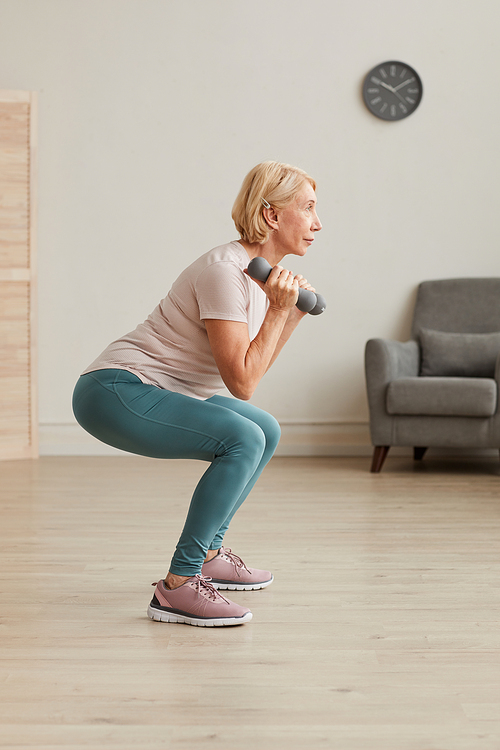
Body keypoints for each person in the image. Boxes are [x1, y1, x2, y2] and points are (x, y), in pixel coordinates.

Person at [72, 160, 322, 627]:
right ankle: (179, 584)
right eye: (307, 208)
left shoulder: (258, 278)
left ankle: (209, 555)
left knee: (263, 429)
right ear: (272, 215)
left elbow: (254, 367)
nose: (317, 222)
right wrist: (279, 311)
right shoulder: (225, 271)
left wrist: (290, 314)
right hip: (115, 389)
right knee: (242, 438)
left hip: (166, 390)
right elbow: (242, 383)